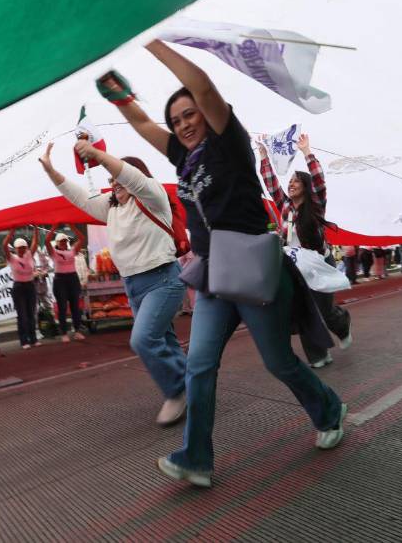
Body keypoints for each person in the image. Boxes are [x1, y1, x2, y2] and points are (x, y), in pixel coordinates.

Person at [98, 40, 346, 488]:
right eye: (176, 121)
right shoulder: (183, 156)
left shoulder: (230, 141)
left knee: (278, 363)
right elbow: (140, 124)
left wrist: (147, 39)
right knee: (198, 364)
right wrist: (122, 100)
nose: (183, 124)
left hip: (251, 264)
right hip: (212, 273)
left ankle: (329, 409)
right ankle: (196, 458)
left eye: (189, 114)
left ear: (208, 113)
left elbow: (203, 86)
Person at [40, 142, 187, 426]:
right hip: (133, 286)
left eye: (118, 179)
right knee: (164, 341)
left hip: (162, 280)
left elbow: (130, 176)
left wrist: (97, 156)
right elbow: (80, 198)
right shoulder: (113, 210)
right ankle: (194, 384)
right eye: (111, 181)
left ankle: (178, 391)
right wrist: (51, 171)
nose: (113, 184)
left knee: (143, 339)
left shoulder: (153, 197)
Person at [257, 133, 352, 368]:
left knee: (324, 311)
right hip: (296, 267)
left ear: (306, 187)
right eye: (290, 181)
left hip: (320, 264)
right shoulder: (284, 206)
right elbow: (271, 184)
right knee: (304, 312)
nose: (291, 184)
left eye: (296, 181)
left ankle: (342, 323)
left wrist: (307, 152)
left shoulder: (316, 204)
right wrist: (263, 156)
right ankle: (319, 356)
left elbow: (320, 180)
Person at [45, 225, 86, 342]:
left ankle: (77, 331)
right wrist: (54, 227)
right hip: (60, 280)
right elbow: (47, 240)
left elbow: (81, 238)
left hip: (73, 278)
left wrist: (71, 226)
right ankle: (64, 333)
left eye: (65, 241)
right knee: (62, 307)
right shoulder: (53, 252)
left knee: (75, 307)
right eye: (61, 241)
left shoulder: (72, 251)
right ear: (57, 242)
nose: (64, 243)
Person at [3, 227, 41, 349]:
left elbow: (35, 242)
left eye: (23, 247)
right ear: (15, 248)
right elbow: (4, 245)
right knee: (22, 315)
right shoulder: (12, 258)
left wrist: (35, 229)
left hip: (30, 286)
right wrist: (12, 231)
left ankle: (33, 339)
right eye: (19, 248)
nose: (21, 250)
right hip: (18, 287)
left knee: (31, 314)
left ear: (26, 248)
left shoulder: (29, 255)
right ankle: (24, 341)